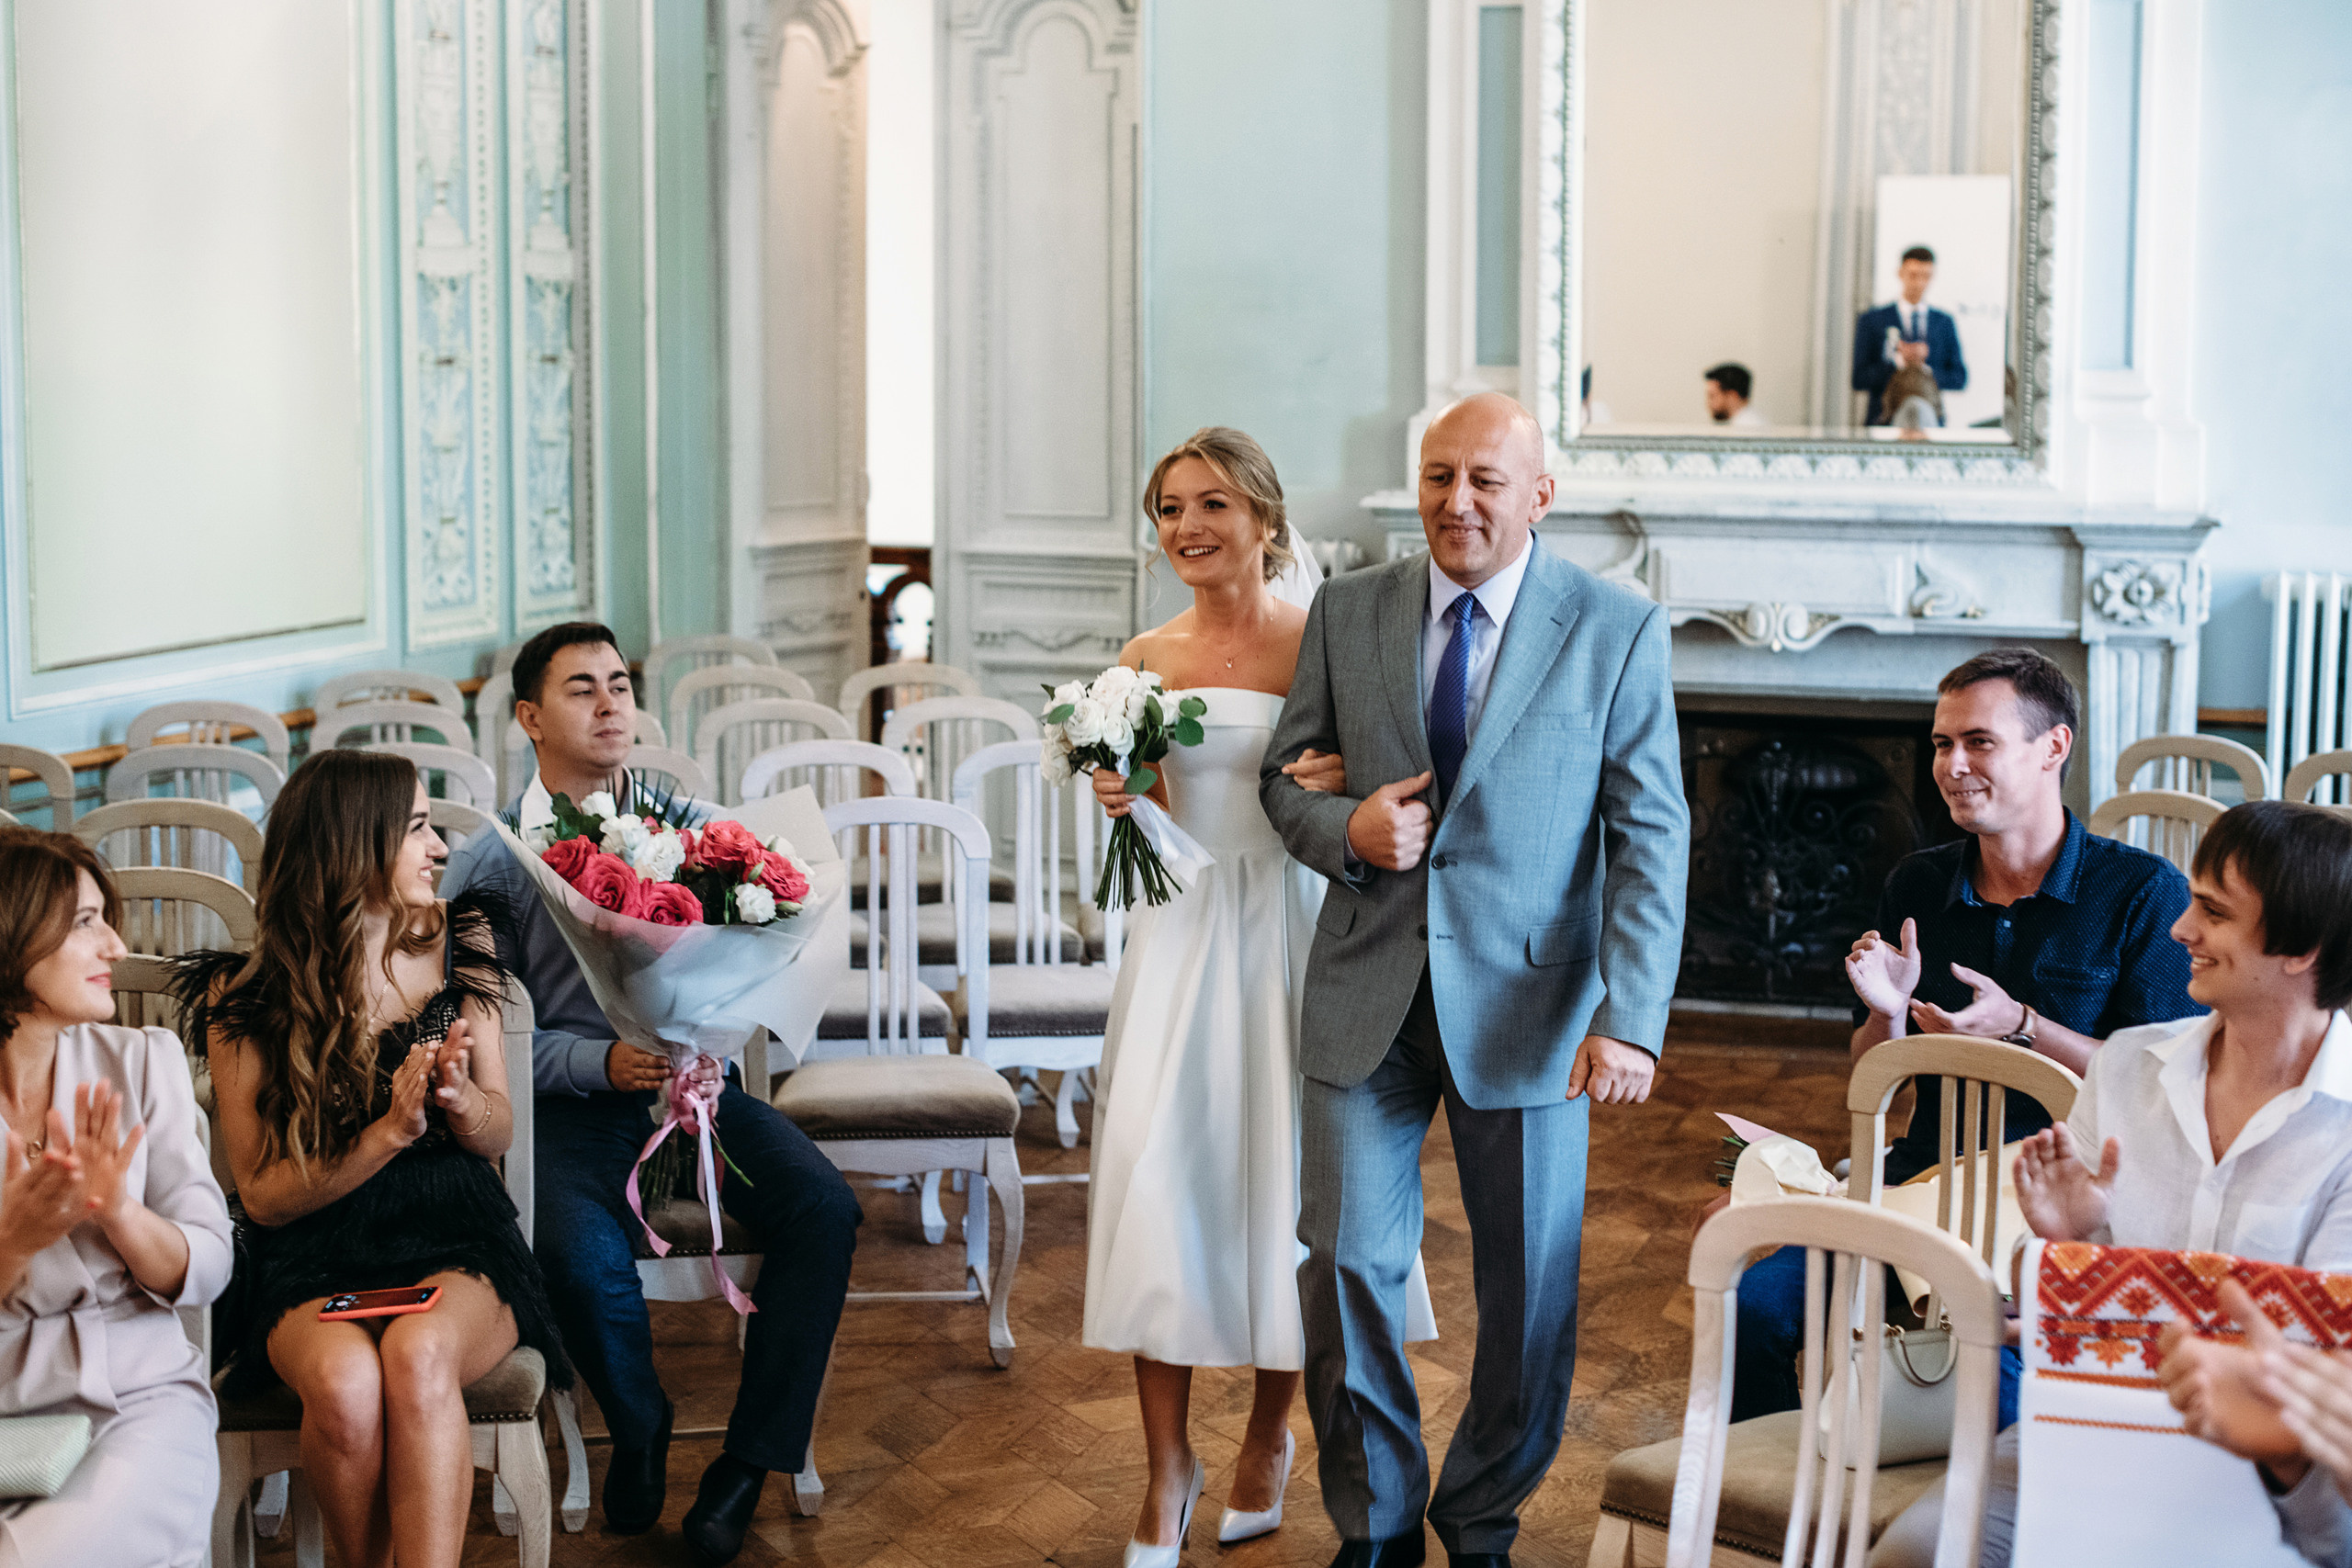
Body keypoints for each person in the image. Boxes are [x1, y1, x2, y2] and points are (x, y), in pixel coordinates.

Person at [1261, 391, 1690, 1568]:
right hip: (1366, 1001)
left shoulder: (1614, 628)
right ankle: (1379, 1520)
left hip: (1536, 1016)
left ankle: (1483, 1515)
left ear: (1539, 495)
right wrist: (1346, 829)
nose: (1457, 502)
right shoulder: (1348, 611)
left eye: (1486, 480)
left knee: (1531, 1295)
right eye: (1438, 476)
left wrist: (1632, 1019)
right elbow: (1280, 781)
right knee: (1344, 1264)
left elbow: (1651, 833)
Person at [1082, 427, 1437, 1567]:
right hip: (1181, 938)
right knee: (1159, 1174)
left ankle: (1271, 1437)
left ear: (1264, 521)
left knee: (1301, 1190)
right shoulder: (1143, 651)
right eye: (1170, 509)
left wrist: (1334, 783)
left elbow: (1381, 782)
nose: (1188, 528)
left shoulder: (1323, 636)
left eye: (1212, 506)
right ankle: (1164, 1467)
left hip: (1298, 929)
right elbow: (1142, 804)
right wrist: (1113, 788)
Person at [440, 620, 862, 1566]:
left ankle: (746, 1468)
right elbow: (475, 1037)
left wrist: (708, 1044)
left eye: (620, 685)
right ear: (528, 718)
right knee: (578, 1255)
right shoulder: (494, 862)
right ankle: (639, 1425)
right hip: (566, 1111)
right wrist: (599, 1065)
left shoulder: (694, 828)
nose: (609, 703)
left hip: (693, 1094)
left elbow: (749, 962)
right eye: (581, 687)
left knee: (824, 1210)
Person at [1872, 799, 2352, 1567]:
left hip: (2274, 1469)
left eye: (2214, 912)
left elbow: (2324, 1363)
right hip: (2090, 1419)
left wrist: (2117, 1299)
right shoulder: (2129, 1065)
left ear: (2301, 949)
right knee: (1916, 1553)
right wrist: (2070, 1237)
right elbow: (2051, 1297)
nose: (2180, 930)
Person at [1726, 649, 2200, 1423]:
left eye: (1978, 741)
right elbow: (1874, 1079)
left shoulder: (2142, 892)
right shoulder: (1917, 882)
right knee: (1754, 1305)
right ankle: (1797, 1497)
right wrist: (1886, 1009)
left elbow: (2166, 1086)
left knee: (2002, 1385)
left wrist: (2026, 1025)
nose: (1951, 764)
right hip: (1919, 1192)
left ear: (2054, 747)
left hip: (2059, 1216)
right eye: (1942, 743)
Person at [176, 750, 567, 1568]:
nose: (437, 848)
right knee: (348, 1388)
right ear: (355, 845)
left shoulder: (461, 942)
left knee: (419, 1353)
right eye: (417, 827)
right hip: (310, 1255)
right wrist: (386, 1131)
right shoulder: (240, 999)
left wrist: (460, 1103)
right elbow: (265, 1196)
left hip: (457, 1239)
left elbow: (498, 1132)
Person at [0, 829, 232, 1568]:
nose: (116, 946)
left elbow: (210, 1263)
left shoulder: (142, 1061)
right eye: (83, 921)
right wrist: (14, 1241)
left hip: (134, 1400)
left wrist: (120, 1213)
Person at [1852, 245, 1966, 425]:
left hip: (1929, 423)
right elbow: (1859, 379)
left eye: (1925, 276)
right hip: (1883, 421)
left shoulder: (1943, 323)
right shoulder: (1873, 320)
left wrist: (1924, 368)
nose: (1919, 283)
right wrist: (1898, 361)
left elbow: (1959, 378)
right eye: (1913, 275)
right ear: (1901, 273)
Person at [1702, 363, 1766, 427]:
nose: (1708, 404)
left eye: (1712, 396)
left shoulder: (1748, 428)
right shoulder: (1746, 423)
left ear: (1732, 396)